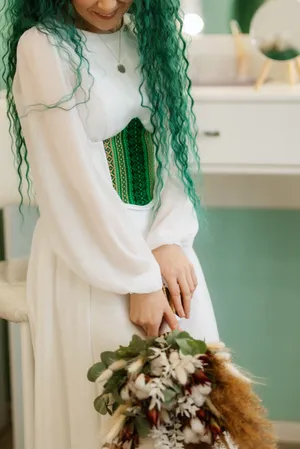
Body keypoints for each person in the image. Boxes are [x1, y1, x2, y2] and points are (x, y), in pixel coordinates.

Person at [3, 0, 219, 448]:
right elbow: (71, 182)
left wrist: (170, 240)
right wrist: (138, 279)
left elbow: (175, 156)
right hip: (92, 252)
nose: (106, 4)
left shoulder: (152, 41)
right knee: (108, 415)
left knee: (191, 403)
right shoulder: (41, 46)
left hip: (163, 247)